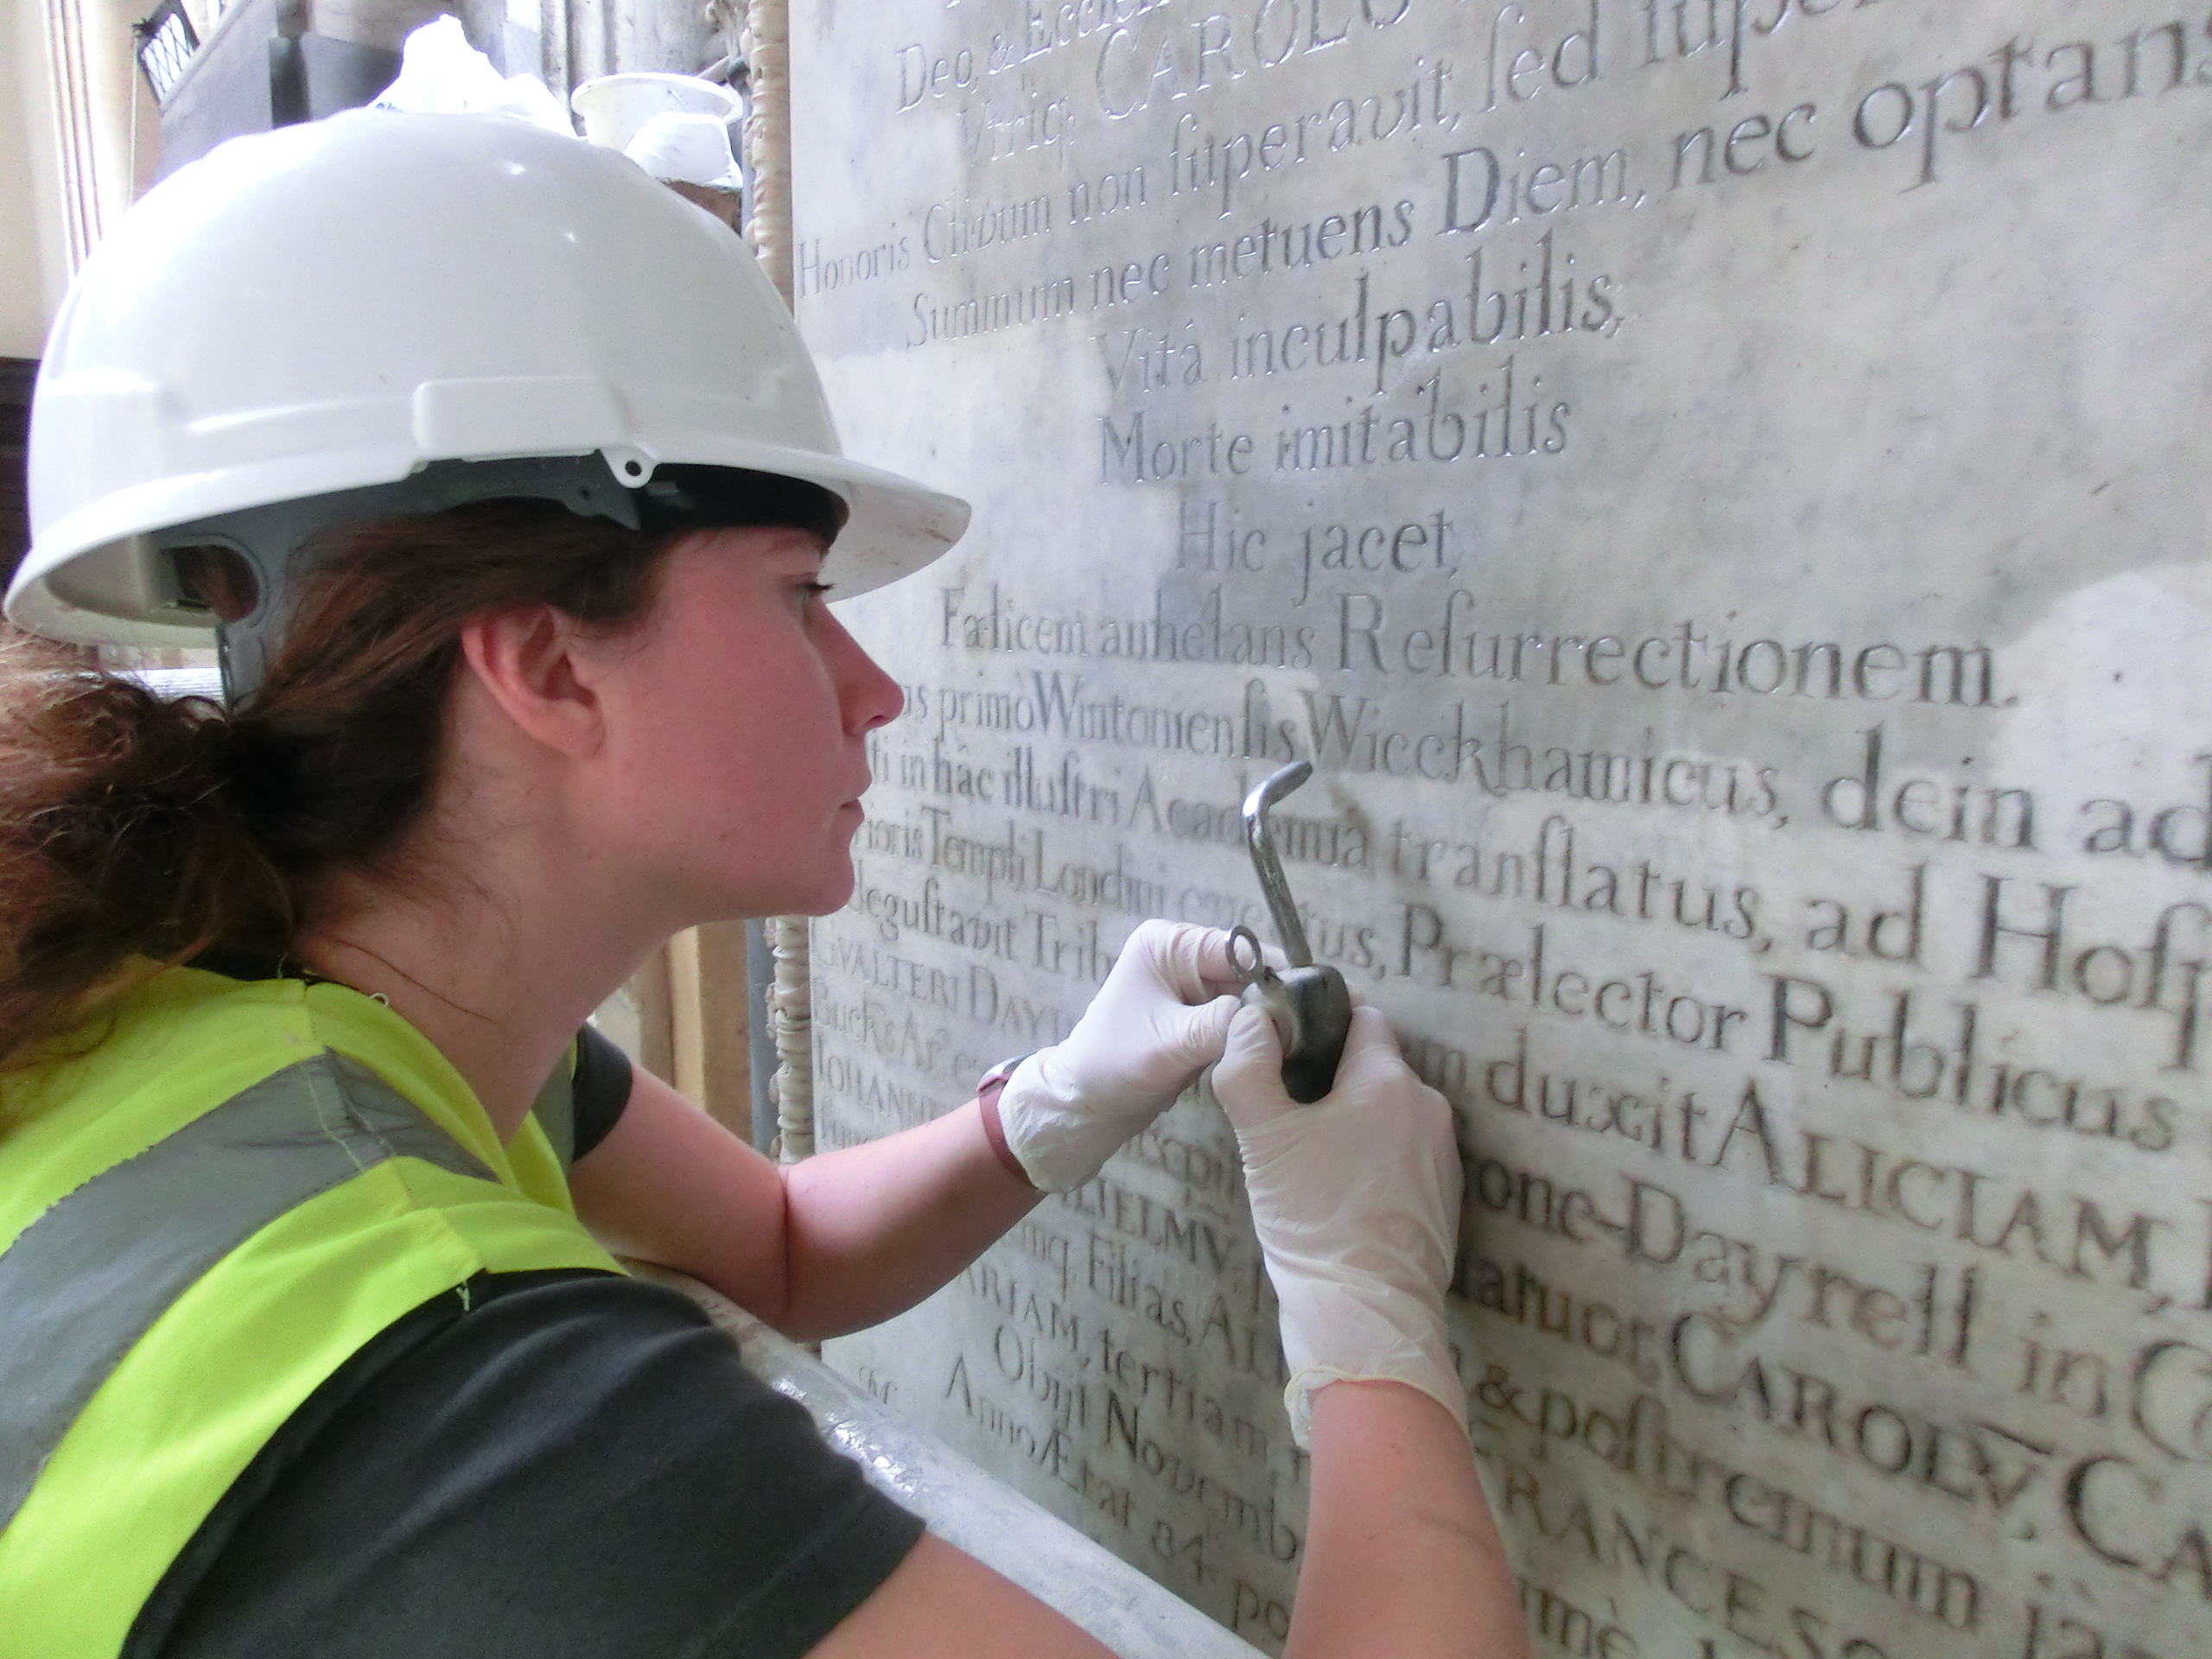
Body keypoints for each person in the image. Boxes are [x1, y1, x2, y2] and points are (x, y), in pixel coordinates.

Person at [0, 111, 1529, 1659]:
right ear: (543, 665)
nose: (874, 690)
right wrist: (1367, 1323)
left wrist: (1056, 1102)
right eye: (800, 598)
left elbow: (790, 1248)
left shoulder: (271, 1012)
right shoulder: (439, 1393)